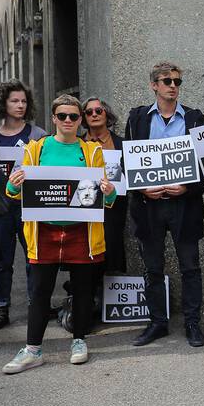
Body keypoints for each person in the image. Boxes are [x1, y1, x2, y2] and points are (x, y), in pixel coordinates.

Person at [1, 95, 117, 373]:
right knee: (40, 290)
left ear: (80, 120)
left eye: (73, 117)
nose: (68, 121)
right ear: (53, 118)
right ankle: (32, 349)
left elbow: (106, 199)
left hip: (82, 230)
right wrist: (15, 185)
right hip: (45, 231)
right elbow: (13, 193)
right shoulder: (35, 149)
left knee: (82, 289)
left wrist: (109, 192)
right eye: (62, 116)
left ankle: (79, 340)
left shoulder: (92, 152)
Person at [123, 61, 204, 348]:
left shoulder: (195, 118)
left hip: (184, 205)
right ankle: (157, 323)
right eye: (166, 80)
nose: (173, 85)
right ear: (154, 85)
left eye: (177, 81)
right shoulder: (137, 118)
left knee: (190, 267)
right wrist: (143, 189)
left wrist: (187, 186)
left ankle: (193, 323)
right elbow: (128, 161)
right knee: (153, 267)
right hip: (149, 207)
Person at [0, 81, 46, 330]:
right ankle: (2, 307)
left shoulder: (38, 135)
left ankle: (37, 304)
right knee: (1, 261)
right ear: (3, 103)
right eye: (14, 101)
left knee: (34, 257)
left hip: (29, 207)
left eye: (23, 101)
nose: (20, 105)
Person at [82, 97, 129, 280]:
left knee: (110, 256)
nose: (94, 114)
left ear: (106, 114)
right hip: (84, 210)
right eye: (89, 112)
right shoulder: (76, 144)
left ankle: (103, 301)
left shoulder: (122, 144)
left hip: (113, 209)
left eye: (98, 110)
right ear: (83, 118)